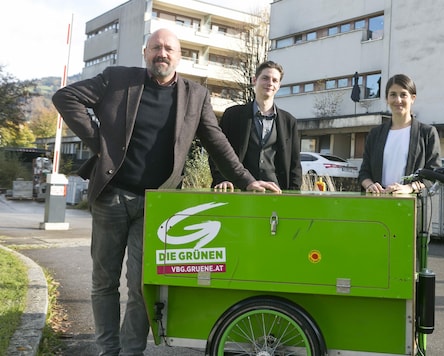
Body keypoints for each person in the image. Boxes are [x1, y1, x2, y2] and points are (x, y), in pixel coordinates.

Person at [52, 28, 281, 356]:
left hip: (157, 205)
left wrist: (247, 180)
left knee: (140, 286)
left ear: (179, 56)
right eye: (156, 47)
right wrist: (99, 142)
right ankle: (107, 349)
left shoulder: (195, 94)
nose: (163, 53)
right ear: (146, 52)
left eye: (169, 49)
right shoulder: (118, 79)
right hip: (112, 197)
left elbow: (216, 141)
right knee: (103, 282)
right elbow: (65, 97)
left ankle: (131, 351)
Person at [210, 61, 302, 190]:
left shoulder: (289, 121)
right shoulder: (233, 115)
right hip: (237, 189)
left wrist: (293, 194)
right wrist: (221, 179)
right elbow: (217, 151)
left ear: (279, 86)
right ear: (254, 80)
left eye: (275, 80)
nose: (270, 83)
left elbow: (295, 164)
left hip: (275, 192)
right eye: (265, 78)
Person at [358, 74, 441, 194]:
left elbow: (433, 175)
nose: (398, 100)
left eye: (403, 95)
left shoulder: (427, 133)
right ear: (386, 99)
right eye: (393, 95)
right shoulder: (375, 134)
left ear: (412, 98)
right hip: (378, 202)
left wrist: (409, 188)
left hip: (412, 205)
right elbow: (364, 172)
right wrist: (370, 185)